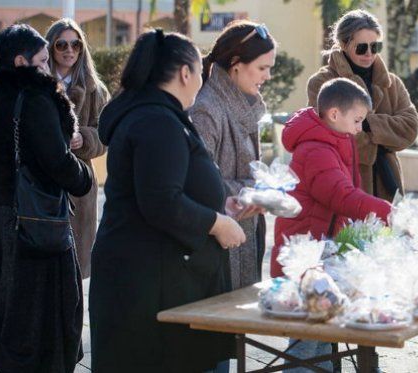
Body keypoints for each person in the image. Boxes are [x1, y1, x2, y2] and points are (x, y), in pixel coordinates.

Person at [89, 29, 261, 372]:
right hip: (149, 287)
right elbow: (160, 201)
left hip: (151, 277)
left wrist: (220, 206)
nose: (202, 80)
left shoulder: (156, 115)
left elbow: (165, 188)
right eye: (201, 71)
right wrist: (217, 223)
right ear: (185, 73)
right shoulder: (157, 120)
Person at [0, 24, 92, 372]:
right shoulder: (36, 98)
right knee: (43, 320)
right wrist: (83, 177)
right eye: (42, 60)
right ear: (21, 61)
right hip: (36, 222)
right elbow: (56, 161)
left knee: (7, 313)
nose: (47, 67)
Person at [271, 78, 392, 371]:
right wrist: (387, 211)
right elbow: (341, 195)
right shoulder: (316, 149)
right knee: (308, 338)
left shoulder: (337, 140)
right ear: (335, 114)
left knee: (322, 331)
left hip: (320, 249)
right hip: (304, 252)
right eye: (358, 119)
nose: (360, 127)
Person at [191, 20, 275, 292]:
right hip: (217, 243)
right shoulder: (206, 109)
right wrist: (254, 191)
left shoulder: (241, 103)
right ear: (237, 64)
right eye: (263, 68)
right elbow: (199, 183)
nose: (268, 76)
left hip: (244, 235)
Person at [307, 9, 418, 202]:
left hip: (388, 184)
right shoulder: (322, 82)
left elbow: (410, 129)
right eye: (361, 48)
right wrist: (385, 137)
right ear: (343, 44)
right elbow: (328, 135)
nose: (369, 53)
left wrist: (367, 124)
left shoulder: (392, 83)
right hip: (343, 183)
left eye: (375, 47)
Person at [45, 18, 110, 279]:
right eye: (61, 44)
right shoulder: (38, 84)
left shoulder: (96, 90)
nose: (69, 50)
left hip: (79, 184)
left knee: (75, 266)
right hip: (44, 181)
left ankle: (71, 319)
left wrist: (85, 138)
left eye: (76, 44)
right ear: (50, 47)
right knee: (45, 265)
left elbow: (105, 134)